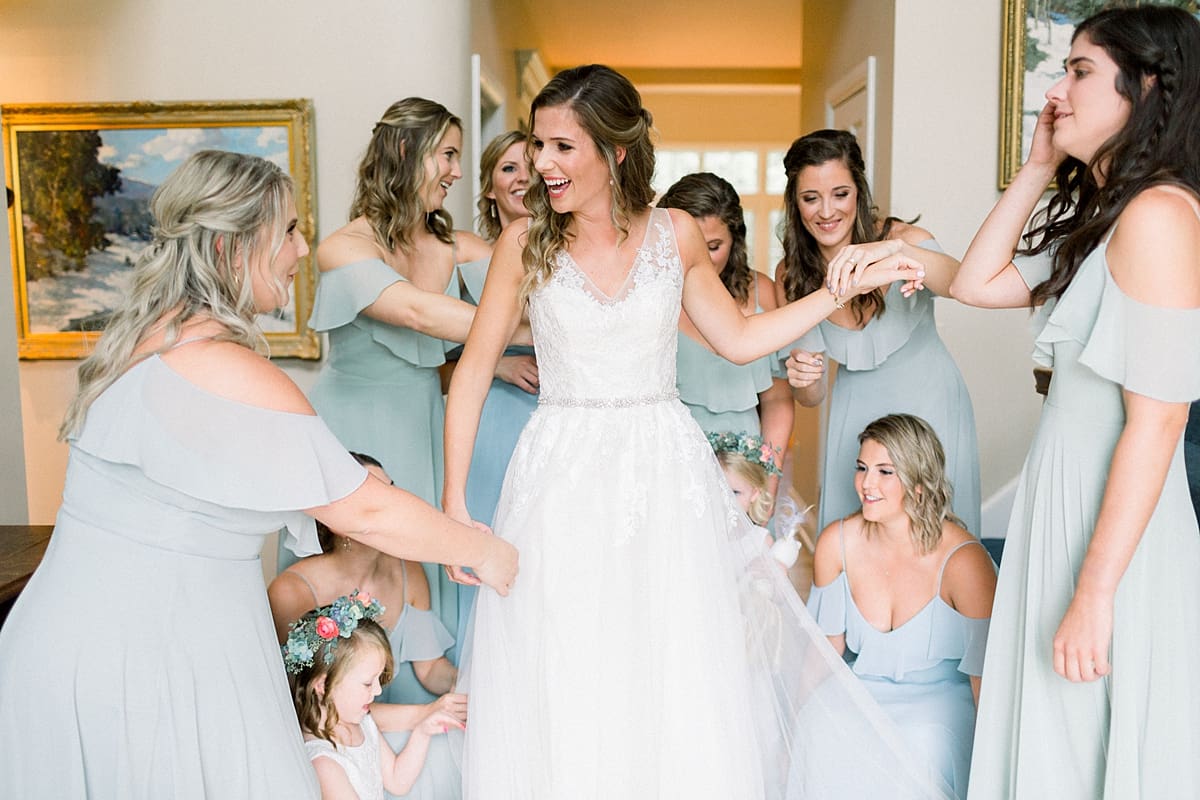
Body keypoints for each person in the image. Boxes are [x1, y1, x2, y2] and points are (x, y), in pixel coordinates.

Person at [442, 64, 952, 799]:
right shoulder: (524, 244)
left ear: (614, 151)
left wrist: (832, 290)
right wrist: (458, 507)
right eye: (538, 146)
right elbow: (472, 372)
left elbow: (742, 339)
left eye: (562, 148)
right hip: (562, 470)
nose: (542, 166)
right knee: (567, 654)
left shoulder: (673, 234)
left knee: (668, 655)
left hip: (660, 465)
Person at [0, 150, 517, 798]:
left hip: (77, 646)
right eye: (291, 231)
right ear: (231, 247)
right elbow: (364, 511)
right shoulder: (227, 369)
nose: (304, 249)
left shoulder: (142, 344)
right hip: (139, 662)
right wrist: (489, 553)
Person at [948, 7, 1200, 798]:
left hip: (1110, 537)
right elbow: (975, 283)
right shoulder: (1113, 217)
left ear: (1148, 86)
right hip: (1067, 514)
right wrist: (1035, 168)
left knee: (1088, 743)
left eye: (1080, 70)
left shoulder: (1159, 217)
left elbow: (1160, 419)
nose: (1057, 92)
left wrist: (1094, 594)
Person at [301, 99, 525, 653]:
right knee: (348, 565)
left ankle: (429, 704)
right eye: (447, 155)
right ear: (405, 151)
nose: (455, 171)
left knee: (426, 555)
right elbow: (419, 314)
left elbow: (536, 278)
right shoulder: (343, 248)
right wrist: (516, 335)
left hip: (424, 427)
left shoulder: (458, 248)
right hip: (349, 431)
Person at [776, 129, 980, 536]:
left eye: (840, 194)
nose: (826, 211)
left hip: (931, 404)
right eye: (810, 198)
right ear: (795, 204)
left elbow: (961, 285)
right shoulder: (792, 276)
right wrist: (803, 379)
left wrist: (892, 253)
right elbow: (811, 397)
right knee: (852, 535)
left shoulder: (906, 241)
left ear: (860, 192)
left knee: (934, 536)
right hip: (856, 414)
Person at [807, 414, 996, 798]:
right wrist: (792, 718)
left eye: (885, 471)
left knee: (918, 742)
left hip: (941, 698)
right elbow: (824, 650)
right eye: (862, 468)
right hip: (863, 688)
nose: (866, 484)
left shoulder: (964, 562)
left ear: (920, 484)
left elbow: (986, 678)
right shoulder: (837, 542)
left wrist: (996, 768)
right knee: (819, 725)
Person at [269, 453, 464, 799]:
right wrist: (423, 713)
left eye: (392, 491)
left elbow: (431, 669)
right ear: (334, 520)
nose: (392, 505)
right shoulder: (291, 592)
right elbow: (305, 706)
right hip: (334, 732)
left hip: (370, 731)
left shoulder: (409, 571)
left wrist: (470, 688)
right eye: (375, 495)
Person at [448, 131, 539, 661]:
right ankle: (479, 665)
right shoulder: (464, 256)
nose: (522, 177)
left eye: (531, 164)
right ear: (488, 188)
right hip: (495, 416)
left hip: (559, 411)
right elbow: (438, 360)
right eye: (508, 169)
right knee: (491, 529)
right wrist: (499, 364)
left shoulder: (568, 247)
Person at [658, 173, 793, 508]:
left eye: (713, 247)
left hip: (745, 478)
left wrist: (767, 486)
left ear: (735, 240)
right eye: (688, 245)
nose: (699, 259)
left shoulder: (761, 293)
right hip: (669, 467)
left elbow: (777, 401)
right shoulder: (652, 299)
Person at [285, 592, 463, 800]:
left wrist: (422, 732)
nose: (378, 691)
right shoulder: (324, 763)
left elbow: (397, 782)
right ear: (323, 685)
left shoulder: (363, 724)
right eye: (368, 683)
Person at [709, 430, 802, 569]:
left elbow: (771, 586)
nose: (725, 500)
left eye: (735, 492)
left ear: (754, 494)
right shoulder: (705, 533)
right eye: (719, 491)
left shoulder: (761, 541)